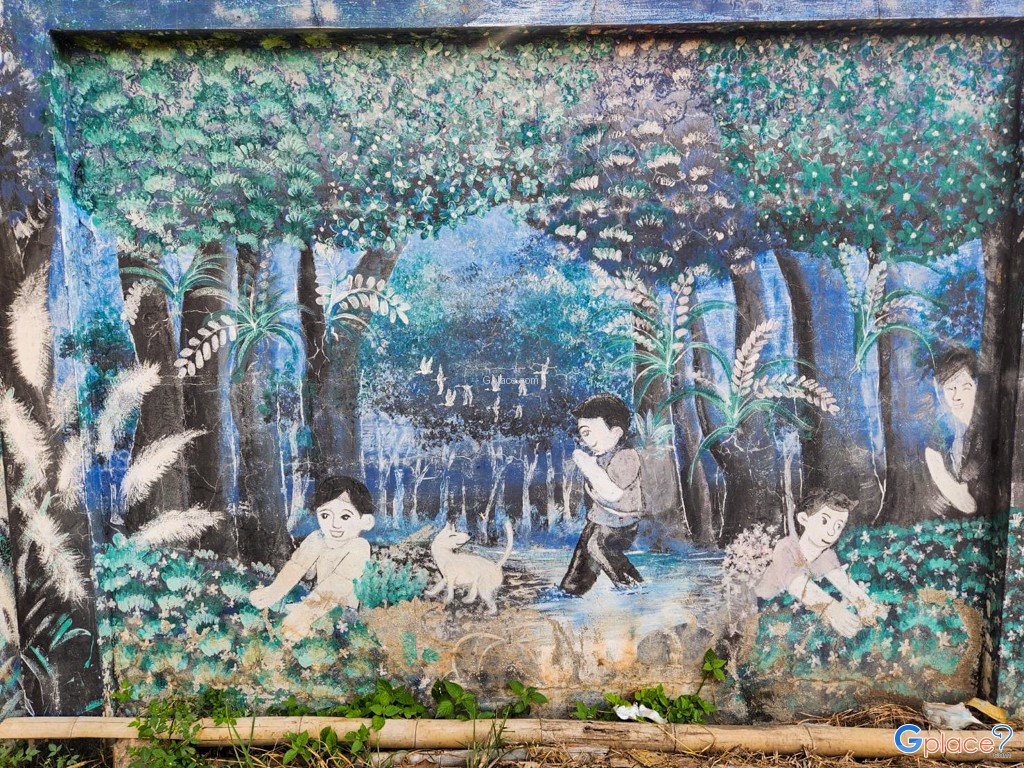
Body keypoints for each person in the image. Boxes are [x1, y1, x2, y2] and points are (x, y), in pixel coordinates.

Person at [249, 476, 375, 640]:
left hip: (344, 613)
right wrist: (273, 592)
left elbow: (339, 584)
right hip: (314, 602)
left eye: (345, 517)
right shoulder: (317, 538)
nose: (334, 524)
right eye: (325, 515)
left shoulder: (359, 546)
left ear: (366, 521)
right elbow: (296, 566)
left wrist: (303, 615)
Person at [755, 491, 884, 638]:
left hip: (793, 613)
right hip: (763, 606)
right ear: (804, 519)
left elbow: (843, 581)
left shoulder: (826, 554)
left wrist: (866, 604)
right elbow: (798, 585)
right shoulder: (786, 548)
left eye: (838, 526)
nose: (831, 532)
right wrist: (834, 611)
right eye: (824, 521)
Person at [560, 394, 645, 596]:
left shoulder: (626, 457)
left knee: (598, 546)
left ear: (616, 433)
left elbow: (612, 493)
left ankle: (631, 585)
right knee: (583, 556)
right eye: (584, 433)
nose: (587, 440)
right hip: (599, 519)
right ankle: (572, 589)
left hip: (622, 522)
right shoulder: (599, 457)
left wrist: (589, 467)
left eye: (590, 433)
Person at [925, 347, 980, 514]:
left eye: (965, 387)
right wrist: (936, 493)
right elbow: (933, 467)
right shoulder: (941, 427)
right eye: (950, 388)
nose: (957, 396)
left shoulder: (982, 425)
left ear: (976, 386)